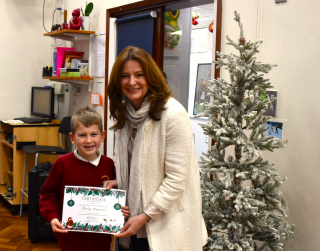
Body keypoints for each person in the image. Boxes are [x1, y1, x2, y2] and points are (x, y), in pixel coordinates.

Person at [105, 46, 207, 251]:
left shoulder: (173, 114)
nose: (132, 82)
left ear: (150, 77)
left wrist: (146, 215)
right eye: (125, 76)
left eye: (139, 75)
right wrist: (123, 180)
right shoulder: (125, 114)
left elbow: (177, 179)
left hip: (164, 224)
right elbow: (138, 164)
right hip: (131, 220)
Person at [39, 107, 129, 251]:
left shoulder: (109, 164)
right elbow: (48, 194)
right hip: (70, 240)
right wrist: (53, 217)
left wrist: (121, 209)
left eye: (94, 134)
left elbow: (117, 197)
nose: (88, 140)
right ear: (72, 138)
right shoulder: (62, 163)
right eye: (82, 135)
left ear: (102, 136)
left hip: (101, 242)